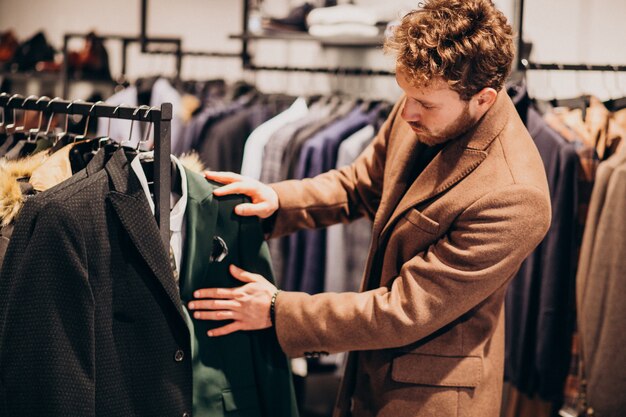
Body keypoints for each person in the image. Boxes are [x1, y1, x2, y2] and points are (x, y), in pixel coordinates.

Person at [187, 0, 551, 416]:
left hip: (428, 398)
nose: (407, 112)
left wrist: (279, 311)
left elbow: (405, 309)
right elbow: (361, 184)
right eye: (405, 95)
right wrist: (279, 200)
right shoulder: (424, 98)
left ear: (483, 99)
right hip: (368, 369)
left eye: (425, 104)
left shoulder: (515, 195)